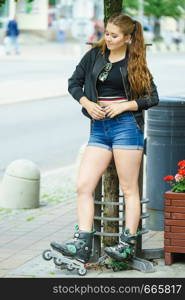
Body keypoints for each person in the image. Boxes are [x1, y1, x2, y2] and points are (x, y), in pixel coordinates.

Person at [50, 14, 159, 266]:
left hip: (126, 128)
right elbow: (74, 83)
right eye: (107, 33)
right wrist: (87, 103)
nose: (108, 38)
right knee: (83, 186)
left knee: (129, 189)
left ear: (128, 38)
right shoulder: (95, 55)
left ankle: (125, 246)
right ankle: (82, 245)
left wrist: (124, 106)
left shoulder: (135, 61)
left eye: (114, 35)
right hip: (99, 128)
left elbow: (153, 97)